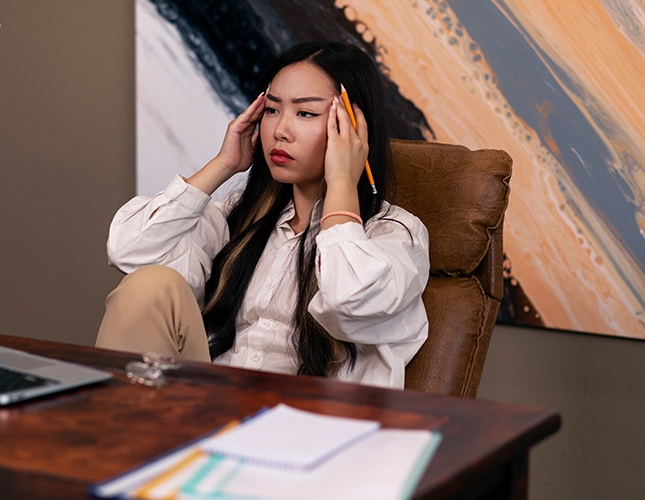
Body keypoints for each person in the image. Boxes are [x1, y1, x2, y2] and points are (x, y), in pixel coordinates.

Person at [96, 41, 429, 389]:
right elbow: (128, 251)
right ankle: (124, 436)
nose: (280, 131)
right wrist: (223, 165)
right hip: (207, 409)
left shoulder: (395, 234)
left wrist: (343, 180)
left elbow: (350, 300)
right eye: (272, 110)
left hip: (306, 428)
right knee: (151, 286)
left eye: (305, 114)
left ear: (353, 128)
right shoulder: (239, 216)